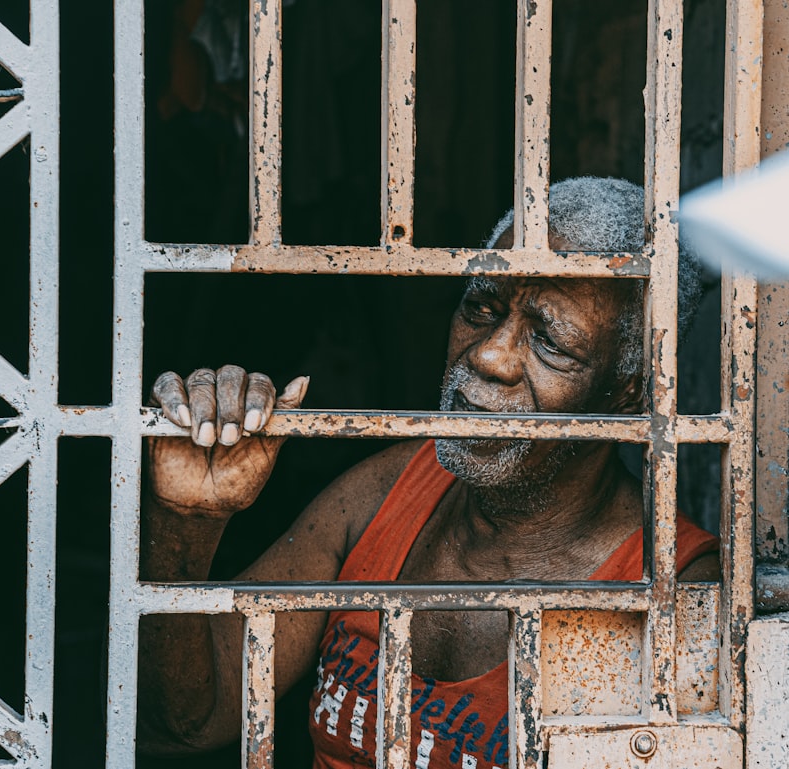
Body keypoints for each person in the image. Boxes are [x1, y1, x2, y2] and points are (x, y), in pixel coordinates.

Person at [137, 177, 719, 769]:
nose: (488, 354)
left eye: (550, 343)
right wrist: (187, 520)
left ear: (627, 395)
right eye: (481, 307)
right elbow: (186, 725)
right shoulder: (393, 485)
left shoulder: (672, 595)